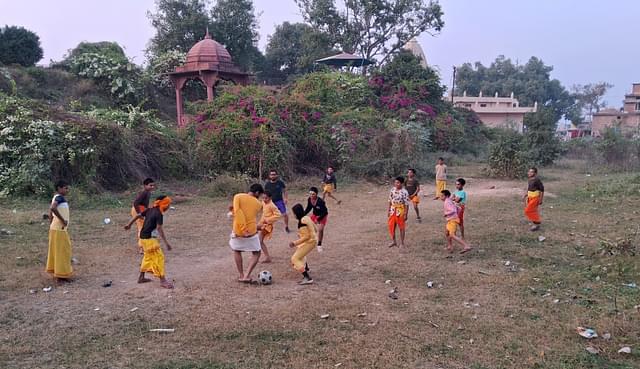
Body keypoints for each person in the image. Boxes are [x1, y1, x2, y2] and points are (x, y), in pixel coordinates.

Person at [124, 196, 174, 289]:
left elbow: (138, 215)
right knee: (159, 257)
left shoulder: (150, 209)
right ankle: (163, 281)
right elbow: (159, 228)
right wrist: (166, 243)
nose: (168, 206)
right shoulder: (159, 214)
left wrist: (129, 224)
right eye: (168, 204)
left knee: (147, 256)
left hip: (143, 238)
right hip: (149, 239)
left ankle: (141, 277)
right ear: (164, 205)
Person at [228, 184, 264, 283]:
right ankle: (247, 275)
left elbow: (238, 212)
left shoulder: (237, 196)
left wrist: (242, 228)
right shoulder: (259, 204)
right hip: (251, 231)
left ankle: (241, 275)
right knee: (257, 253)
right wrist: (246, 229)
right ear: (257, 193)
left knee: (237, 250)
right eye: (260, 195)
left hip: (238, 231)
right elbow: (248, 214)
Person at [46, 180, 73, 282]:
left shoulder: (55, 198)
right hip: (59, 229)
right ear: (59, 188)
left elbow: (50, 211)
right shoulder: (59, 198)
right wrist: (62, 221)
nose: (67, 190)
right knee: (63, 251)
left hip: (55, 229)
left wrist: (51, 223)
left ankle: (59, 274)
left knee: (58, 251)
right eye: (65, 188)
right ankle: (62, 275)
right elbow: (52, 208)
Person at [289, 203, 317, 285]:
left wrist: (294, 243)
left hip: (310, 242)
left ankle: (307, 277)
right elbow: (315, 229)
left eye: (294, 213)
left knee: (294, 259)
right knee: (300, 251)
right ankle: (306, 268)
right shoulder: (307, 218)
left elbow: (306, 237)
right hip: (313, 240)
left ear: (296, 213)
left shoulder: (301, 222)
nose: (293, 215)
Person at [441, 190, 472, 254]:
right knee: (447, 233)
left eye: (442, 196)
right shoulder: (449, 201)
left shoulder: (447, 202)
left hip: (452, 220)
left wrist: (446, 214)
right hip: (451, 219)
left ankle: (466, 246)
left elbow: (453, 210)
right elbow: (458, 208)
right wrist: (456, 216)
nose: (441, 197)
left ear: (446, 196)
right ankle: (450, 246)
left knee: (452, 235)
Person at [130, 178, 156, 253]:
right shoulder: (144, 193)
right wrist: (139, 214)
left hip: (142, 210)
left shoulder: (148, 192)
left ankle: (143, 246)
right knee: (141, 228)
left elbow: (144, 204)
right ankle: (142, 247)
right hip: (137, 210)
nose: (152, 187)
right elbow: (135, 203)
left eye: (153, 185)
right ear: (145, 185)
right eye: (150, 185)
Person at [257, 190, 281, 263]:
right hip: (262, 224)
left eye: (266, 198)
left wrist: (268, 220)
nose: (264, 199)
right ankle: (265, 256)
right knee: (258, 240)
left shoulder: (272, 205)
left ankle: (267, 257)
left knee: (259, 241)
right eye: (263, 198)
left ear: (270, 198)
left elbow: (278, 215)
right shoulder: (263, 203)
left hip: (267, 226)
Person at [303, 187, 328, 252]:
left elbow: (325, 212)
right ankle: (308, 241)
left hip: (322, 215)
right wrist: (302, 214)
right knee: (307, 228)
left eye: (313, 194)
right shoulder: (309, 199)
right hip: (314, 215)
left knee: (320, 230)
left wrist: (319, 219)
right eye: (310, 194)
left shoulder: (321, 201)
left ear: (316, 194)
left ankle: (319, 245)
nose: (311, 196)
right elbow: (308, 208)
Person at [388, 176, 410, 249]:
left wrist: (406, 214)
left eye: (398, 183)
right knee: (392, 226)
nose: (396, 184)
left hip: (400, 211)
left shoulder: (404, 192)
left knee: (401, 227)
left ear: (402, 183)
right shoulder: (392, 190)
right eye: (395, 182)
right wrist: (388, 210)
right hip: (393, 210)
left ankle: (402, 243)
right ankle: (393, 241)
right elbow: (390, 200)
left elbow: (406, 204)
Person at [524, 167, 544, 231]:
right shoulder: (530, 179)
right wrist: (526, 194)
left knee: (527, 210)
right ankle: (535, 223)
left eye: (531, 172)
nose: (529, 173)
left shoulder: (537, 180)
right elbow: (529, 188)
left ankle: (537, 224)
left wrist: (541, 199)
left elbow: (542, 190)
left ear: (535, 173)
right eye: (529, 171)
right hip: (530, 197)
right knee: (533, 210)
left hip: (535, 198)